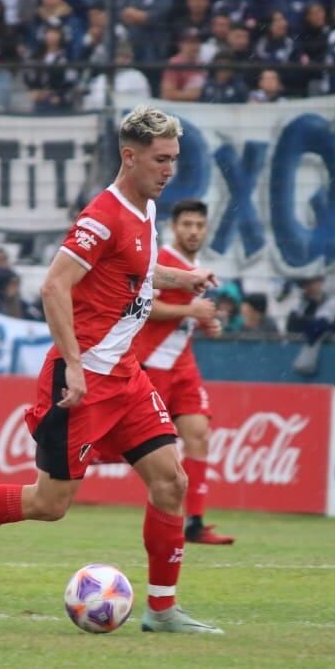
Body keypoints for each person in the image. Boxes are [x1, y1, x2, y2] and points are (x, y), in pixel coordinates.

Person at [0, 106, 225, 636]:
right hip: (84, 380)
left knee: (171, 482)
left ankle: (162, 610)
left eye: (174, 159)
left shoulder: (145, 210)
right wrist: (72, 364)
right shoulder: (103, 215)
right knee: (49, 504)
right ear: (129, 156)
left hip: (126, 378)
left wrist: (179, 278)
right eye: (160, 160)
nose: (169, 170)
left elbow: (132, 270)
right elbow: (53, 286)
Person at [131, 200, 234, 546]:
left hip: (183, 364)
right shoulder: (163, 262)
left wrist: (205, 322)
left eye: (199, 225)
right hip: (152, 364)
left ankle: (195, 522)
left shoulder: (196, 265)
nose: (193, 231)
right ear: (175, 228)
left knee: (199, 433)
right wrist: (192, 309)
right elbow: (145, 307)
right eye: (187, 224)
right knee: (148, 448)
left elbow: (183, 318)